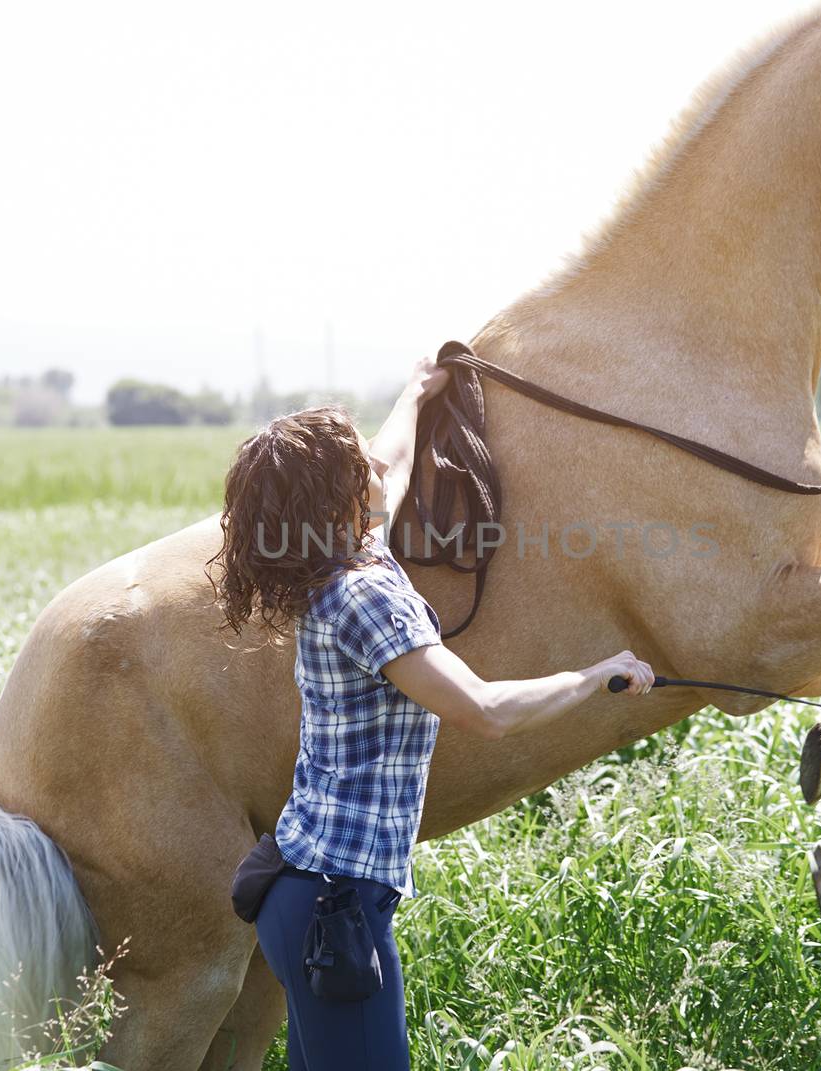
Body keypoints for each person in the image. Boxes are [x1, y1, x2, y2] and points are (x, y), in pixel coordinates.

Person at [210, 354, 655, 1070]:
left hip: (311, 891)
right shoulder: (363, 599)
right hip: (334, 906)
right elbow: (483, 709)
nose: (377, 468)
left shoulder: (350, 557)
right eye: (359, 467)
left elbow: (393, 456)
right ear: (337, 496)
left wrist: (419, 388)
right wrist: (598, 673)